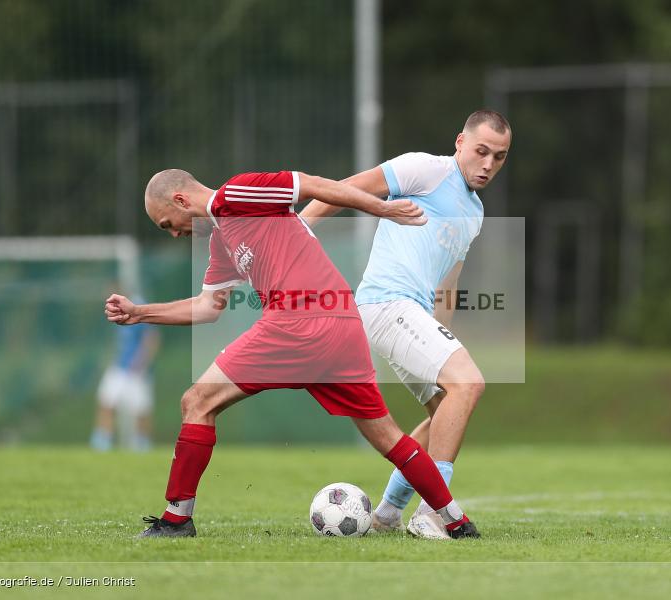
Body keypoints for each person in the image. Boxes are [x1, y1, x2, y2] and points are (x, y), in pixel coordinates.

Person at [104, 167, 480, 539]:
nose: (172, 233)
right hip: (341, 323)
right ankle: (456, 521)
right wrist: (140, 313)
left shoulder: (238, 192)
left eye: (167, 222)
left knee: (197, 401)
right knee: (389, 438)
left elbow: (314, 184)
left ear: (181, 200)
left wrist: (382, 209)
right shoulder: (221, 240)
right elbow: (207, 306)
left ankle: (176, 520)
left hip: (298, 321)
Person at [300, 109, 512, 539]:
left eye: (500, 156)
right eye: (481, 151)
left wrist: (444, 338)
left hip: (412, 316)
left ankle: (388, 513)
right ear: (460, 143)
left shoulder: (475, 212)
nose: (488, 164)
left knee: (444, 411)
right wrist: (301, 227)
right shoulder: (425, 170)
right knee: (468, 384)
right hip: (386, 304)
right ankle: (436, 512)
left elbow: (446, 286)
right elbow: (344, 190)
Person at [91, 292, 160, 452]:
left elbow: (152, 338)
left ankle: (142, 445)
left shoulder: (138, 305)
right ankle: (102, 443)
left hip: (136, 371)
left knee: (141, 411)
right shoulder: (116, 308)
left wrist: (141, 363)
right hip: (119, 368)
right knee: (106, 402)